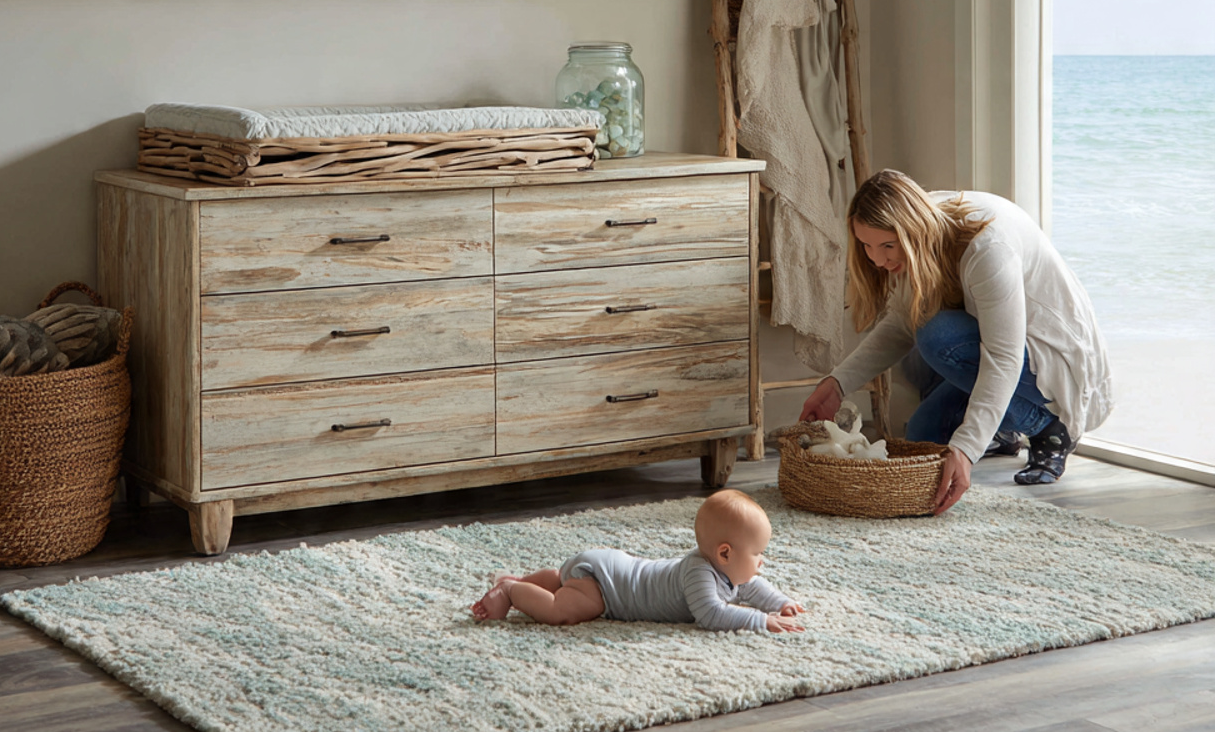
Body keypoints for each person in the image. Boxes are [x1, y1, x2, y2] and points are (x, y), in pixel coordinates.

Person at [800, 169, 1112, 515]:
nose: (877, 260)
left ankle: (1050, 426)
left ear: (912, 230)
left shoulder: (987, 249)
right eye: (867, 246)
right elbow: (902, 325)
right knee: (922, 438)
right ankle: (1003, 431)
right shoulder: (925, 228)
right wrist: (836, 385)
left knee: (937, 336)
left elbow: (1003, 358)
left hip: (1050, 367)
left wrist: (965, 450)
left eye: (888, 246)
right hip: (999, 353)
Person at [469, 489, 805, 634]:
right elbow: (712, 615)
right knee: (563, 611)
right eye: (758, 553)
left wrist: (781, 603)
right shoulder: (699, 573)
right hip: (609, 587)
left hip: (608, 566)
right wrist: (762, 622)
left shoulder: (727, 571)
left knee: (563, 581)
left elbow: (752, 587)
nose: (762, 561)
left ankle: (533, 581)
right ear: (725, 554)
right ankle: (512, 591)